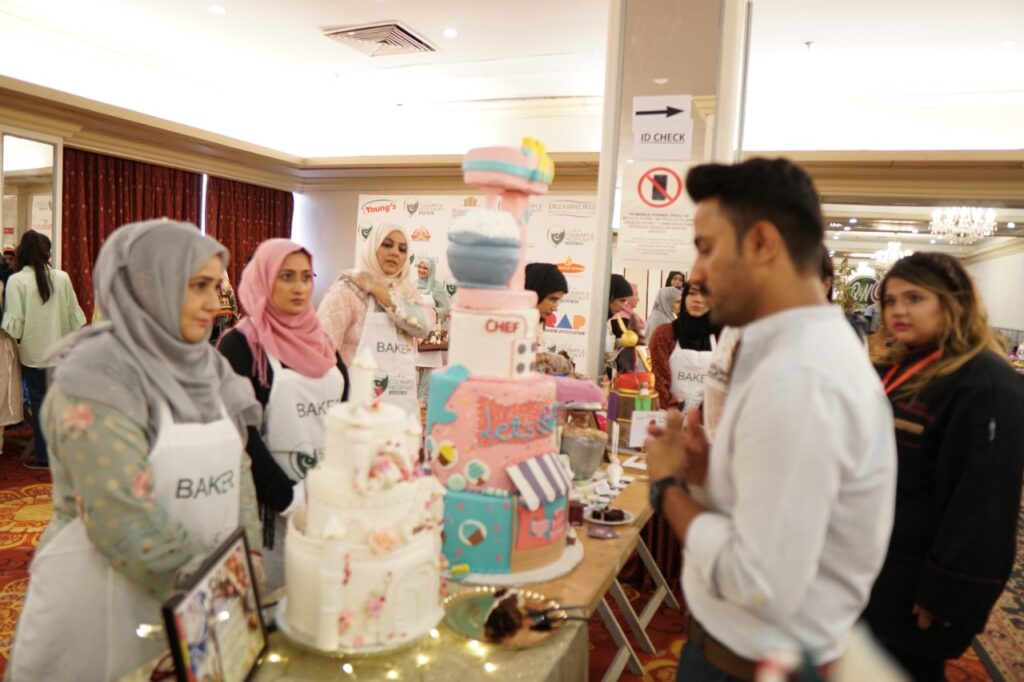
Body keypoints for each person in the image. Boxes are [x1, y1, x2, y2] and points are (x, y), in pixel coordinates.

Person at [644, 158, 896, 681]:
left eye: (707, 248)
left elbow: (757, 583)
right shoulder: (788, 351)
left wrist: (666, 487)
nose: (695, 273)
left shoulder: (800, 375)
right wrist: (711, 474)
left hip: (751, 666)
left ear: (762, 243)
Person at [8, 219, 263, 681]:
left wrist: (250, 556)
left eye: (216, 286)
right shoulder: (95, 377)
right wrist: (220, 587)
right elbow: (119, 513)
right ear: (148, 284)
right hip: (108, 600)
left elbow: (238, 465)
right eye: (199, 286)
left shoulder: (207, 368)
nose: (215, 303)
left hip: (205, 595)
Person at [862, 253, 1024, 681]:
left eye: (914, 298)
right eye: (891, 300)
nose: (898, 310)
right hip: (878, 561)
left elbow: (984, 502)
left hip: (919, 576)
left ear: (954, 302)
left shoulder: (986, 380)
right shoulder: (910, 365)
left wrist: (947, 593)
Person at [218, 239, 349, 591]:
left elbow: (343, 412)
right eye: (286, 276)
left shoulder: (321, 341)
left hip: (325, 497)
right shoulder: (240, 346)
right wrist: (289, 499)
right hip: (269, 505)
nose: (299, 287)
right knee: (277, 599)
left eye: (306, 277)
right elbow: (242, 436)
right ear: (262, 279)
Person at [318, 223, 431, 413]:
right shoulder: (348, 290)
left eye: (402, 249)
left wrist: (375, 287)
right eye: (387, 244)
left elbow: (422, 327)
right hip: (353, 405)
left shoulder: (407, 294)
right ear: (373, 247)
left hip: (398, 407)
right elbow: (322, 353)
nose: (395, 252)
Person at [1, 230, 85, 469]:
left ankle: (46, 457)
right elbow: (76, 319)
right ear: (46, 253)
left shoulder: (17, 281)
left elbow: (15, 326)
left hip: (34, 354)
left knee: (39, 404)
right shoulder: (63, 277)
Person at [649, 282, 718, 412]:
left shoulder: (721, 337)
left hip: (707, 417)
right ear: (684, 297)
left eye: (704, 294)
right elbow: (658, 379)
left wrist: (701, 415)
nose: (697, 299)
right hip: (667, 416)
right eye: (692, 293)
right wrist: (673, 410)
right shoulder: (665, 333)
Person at [525, 262, 574, 375]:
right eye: (552, 299)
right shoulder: (512, 322)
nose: (555, 308)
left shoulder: (536, 323)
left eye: (558, 301)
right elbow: (512, 360)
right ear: (535, 292)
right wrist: (545, 358)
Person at [413, 256, 450, 402]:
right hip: (413, 330)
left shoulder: (436, 287)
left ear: (431, 270)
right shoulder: (412, 286)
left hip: (430, 333)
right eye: (420, 267)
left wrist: (431, 312)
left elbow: (445, 308)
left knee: (427, 368)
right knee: (410, 364)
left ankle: (423, 401)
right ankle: (411, 400)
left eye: (425, 268)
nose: (422, 270)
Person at [607, 273, 639, 376]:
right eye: (621, 301)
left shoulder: (606, 320)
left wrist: (621, 342)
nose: (622, 306)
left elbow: (607, 349)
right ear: (610, 296)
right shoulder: (595, 321)